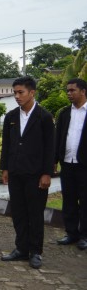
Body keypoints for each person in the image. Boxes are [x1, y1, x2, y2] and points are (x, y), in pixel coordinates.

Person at [0, 76, 55, 269]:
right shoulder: (11, 117)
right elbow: (6, 144)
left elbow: (50, 148)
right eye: (15, 92)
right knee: (19, 212)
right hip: (15, 172)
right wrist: (5, 168)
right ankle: (21, 248)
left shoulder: (44, 117)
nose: (17, 96)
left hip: (36, 174)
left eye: (20, 92)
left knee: (35, 213)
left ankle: (35, 251)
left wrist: (47, 173)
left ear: (32, 92)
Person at [55, 78, 87, 250]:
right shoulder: (65, 113)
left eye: (72, 90)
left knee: (85, 201)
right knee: (69, 200)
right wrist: (54, 160)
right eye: (67, 90)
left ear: (83, 91)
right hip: (67, 163)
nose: (69, 93)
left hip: (84, 165)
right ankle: (71, 233)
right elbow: (58, 137)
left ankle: (84, 235)